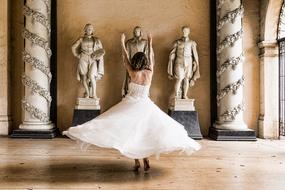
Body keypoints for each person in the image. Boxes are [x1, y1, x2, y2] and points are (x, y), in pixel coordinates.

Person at [63, 33, 201, 172]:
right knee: (144, 133)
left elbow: (125, 58)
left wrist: (122, 43)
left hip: (130, 104)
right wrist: (150, 42)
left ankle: (137, 162)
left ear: (135, 61)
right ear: (145, 61)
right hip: (145, 105)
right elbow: (152, 58)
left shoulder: (133, 72)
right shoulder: (149, 72)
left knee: (131, 133)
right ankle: (146, 159)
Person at [71, 23, 105, 98]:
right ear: (85, 30)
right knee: (83, 76)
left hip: (93, 58)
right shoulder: (81, 39)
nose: (89, 30)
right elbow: (73, 47)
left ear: (93, 30)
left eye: (91, 29)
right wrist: (77, 55)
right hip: (83, 58)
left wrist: (98, 55)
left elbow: (101, 50)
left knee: (92, 75)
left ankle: (94, 94)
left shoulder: (96, 39)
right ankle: (87, 92)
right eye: (88, 29)